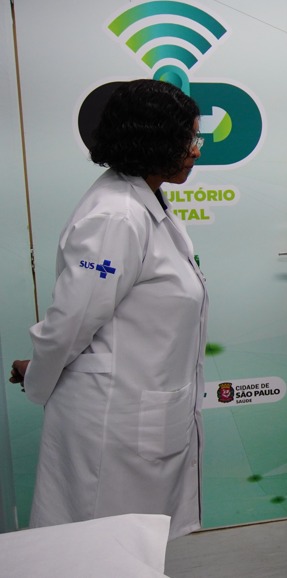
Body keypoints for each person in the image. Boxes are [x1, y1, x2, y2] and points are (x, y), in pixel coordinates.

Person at [8, 79, 208, 540]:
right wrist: (39, 373)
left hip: (139, 411)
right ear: (152, 140)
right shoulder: (116, 216)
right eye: (187, 138)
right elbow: (70, 324)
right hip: (111, 422)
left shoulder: (145, 198)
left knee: (127, 545)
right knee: (105, 546)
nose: (196, 150)